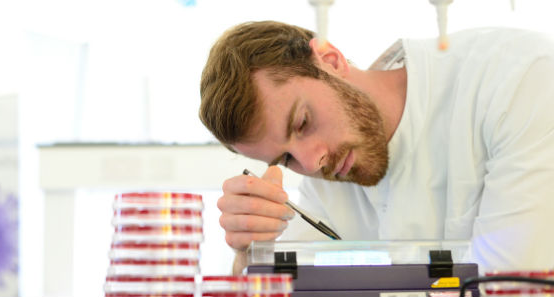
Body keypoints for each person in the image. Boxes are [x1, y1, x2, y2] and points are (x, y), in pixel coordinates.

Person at [199, 20, 554, 275]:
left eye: (303, 122)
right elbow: (285, 283)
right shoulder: (324, 181)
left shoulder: (521, 82)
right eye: (285, 158)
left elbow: (517, 282)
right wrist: (249, 252)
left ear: (331, 61)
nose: (312, 161)